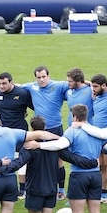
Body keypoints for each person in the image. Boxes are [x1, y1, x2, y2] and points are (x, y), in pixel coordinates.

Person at [0, 116, 98, 213]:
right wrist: (92, 162)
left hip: (34, 188)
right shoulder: (54, 146)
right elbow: (72, 158)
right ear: (45, 128)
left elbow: (18, 163)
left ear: (32, 129)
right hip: (51, 187)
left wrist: (1, 170)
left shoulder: (30, 145)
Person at [25, 105, 107, 213]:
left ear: (75, 117)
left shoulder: (72, 131)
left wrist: (38, 144)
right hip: (96, 176)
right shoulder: (96, 131)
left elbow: (59, 146)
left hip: (79, 176)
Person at [22, 66, 70, 198]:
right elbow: (15, 86)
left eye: (44, 77)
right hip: (38, 129)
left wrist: (88, 83)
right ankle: (33, 187)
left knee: (58, 160)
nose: (41, 80)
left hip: (55, 128)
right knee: (35, 158)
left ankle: (61, 190)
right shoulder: (32, 87)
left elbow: (76, 83)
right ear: (35, 78)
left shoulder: (59, 86)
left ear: (48, 76)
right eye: (39, 77)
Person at [0, 72, 32, 198]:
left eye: (4, 83)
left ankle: (23, 189)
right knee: (6, 159)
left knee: (21, 159)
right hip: (4, 133)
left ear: (11, 82)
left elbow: (34, 107)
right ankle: (8, 187)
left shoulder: (22, 94)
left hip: (20, 131)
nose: (1, 86)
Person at [90, 74, 107, 202]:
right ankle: (103, 193)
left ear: (104, 85)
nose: (93, 89)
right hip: (97, 136)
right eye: (92, 86)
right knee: (100, 165)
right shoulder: (96, 96)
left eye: (95, 86)